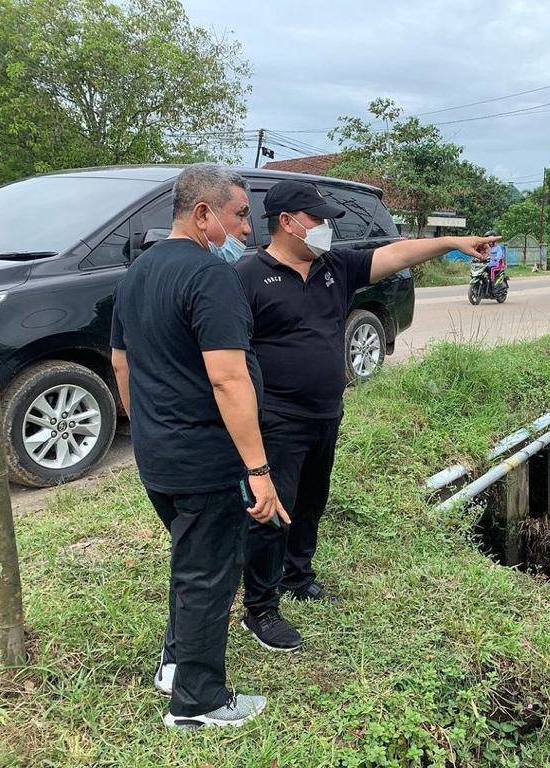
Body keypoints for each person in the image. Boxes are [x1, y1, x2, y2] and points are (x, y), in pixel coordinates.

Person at [235, 180, 498, 652]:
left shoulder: (335, 267)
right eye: (316, 219)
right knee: (272, 512)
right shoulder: (247, 276)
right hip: (275, 418)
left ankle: (299, 575)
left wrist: (452, 242)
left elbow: (398, 254)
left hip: (325, 412)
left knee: (312, 499)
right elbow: (230, 356)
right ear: (288, 222)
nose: (325, 227)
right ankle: (261, 608)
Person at [110, 164, 289, 729]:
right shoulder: (212, 279)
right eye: (239, 216)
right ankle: (199, 702)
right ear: (204, 214)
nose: (245, 231)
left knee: (192, 564)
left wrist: (147, 428)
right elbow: (229, 379)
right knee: (211, 574)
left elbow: (122, 360)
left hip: (158, 456)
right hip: (206, 461)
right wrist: (258, 470)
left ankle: (175, 666)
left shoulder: (139, 271)